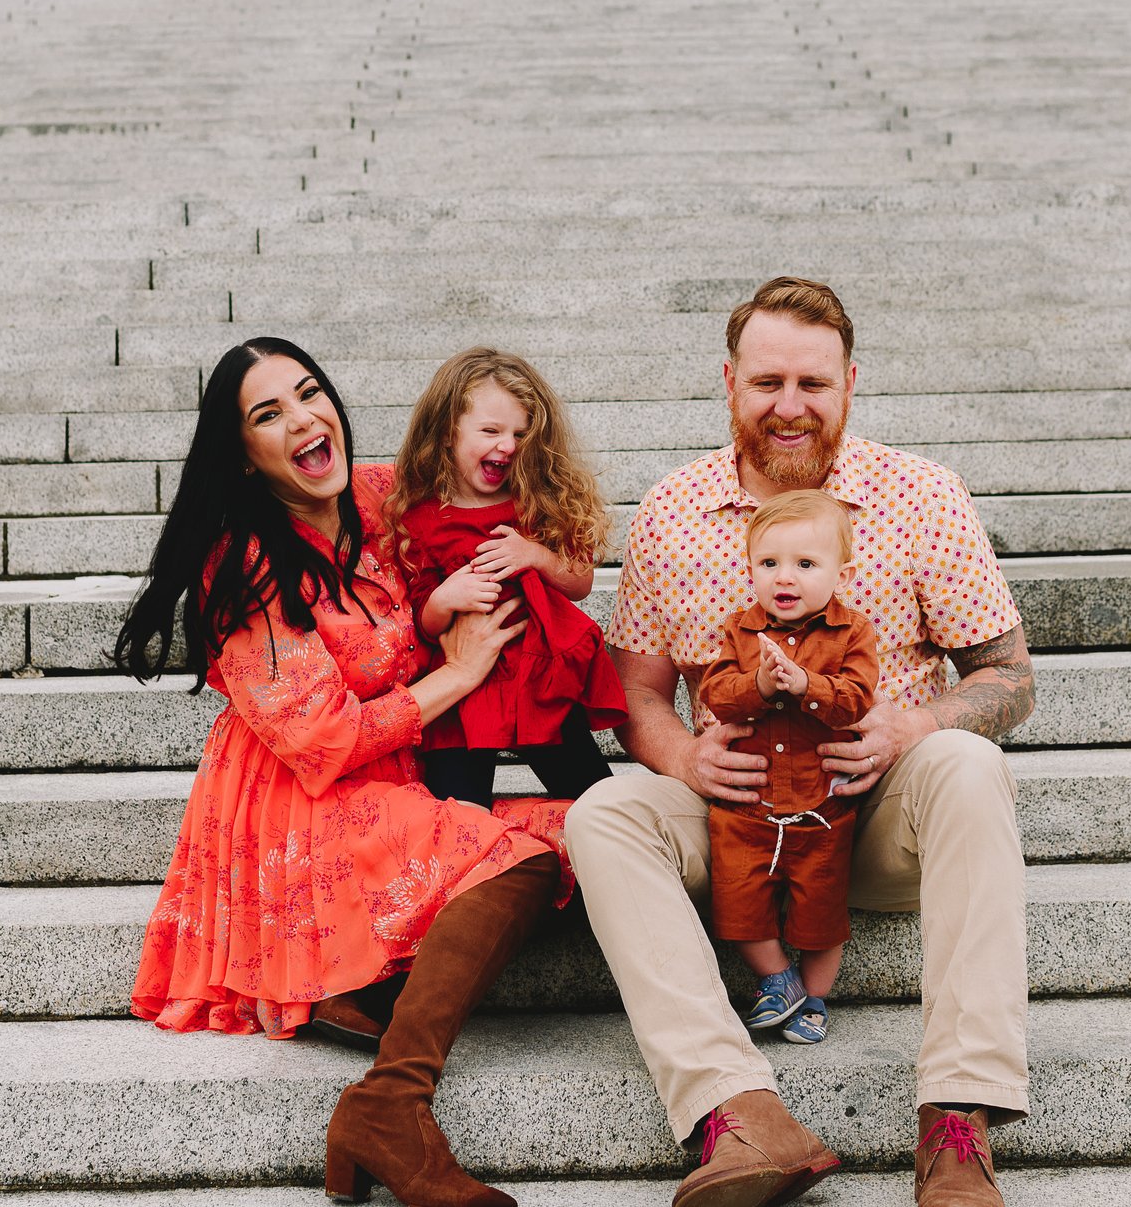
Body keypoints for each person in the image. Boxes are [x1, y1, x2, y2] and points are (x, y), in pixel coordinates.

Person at [564, 277, 1035, 1207]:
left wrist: (915, 722)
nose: (790, 406)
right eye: (768, 380)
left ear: (850, 383)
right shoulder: (671, 511)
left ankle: (957, 1122)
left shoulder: (922, 495)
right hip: (741, 821)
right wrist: (681, 756)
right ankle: (738, 1117)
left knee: (970, 762)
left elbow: (1010, 676)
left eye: (813, 383)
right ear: (729, 381)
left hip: (877, 812)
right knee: (605, 812)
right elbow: (635, 692)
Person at [123, 336, 565, 1207]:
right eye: (267, 414)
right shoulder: (242, 562)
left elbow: (489, 462)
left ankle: (364, 1000)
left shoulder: (379, 496)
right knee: (524, 855)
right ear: (243, 457)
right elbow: (321, 739)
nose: (302, 419)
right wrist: (460, 673)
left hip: (397, 769)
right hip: (300, 797)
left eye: (309, 392)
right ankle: (390, 1104)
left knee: (586, 830)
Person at [388, 347, 628, 807]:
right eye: (491, 431)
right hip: (464, 693)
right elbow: (420, 620)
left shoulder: (536, 503)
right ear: (446, 433)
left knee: (596, 800)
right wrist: (444, 598)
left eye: (521, 434)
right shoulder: (420, 517)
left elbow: (579, 582)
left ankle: (604, 864)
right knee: (458, 812)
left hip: (540, 680)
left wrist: (536, 555)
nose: (509, 446)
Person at [693, 489, 878, 1048]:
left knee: (820, 913)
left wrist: (806, 686)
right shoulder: (738, 631)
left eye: (805, 564)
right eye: (768, 563)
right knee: (736, 902)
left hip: (823, 807)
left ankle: (814, 999)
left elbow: (857, 699)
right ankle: (779, 981)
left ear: (840, 570)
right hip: (747, 808)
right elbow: (716, 694)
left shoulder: (853, 633)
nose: (784, 578)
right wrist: (760, 686)